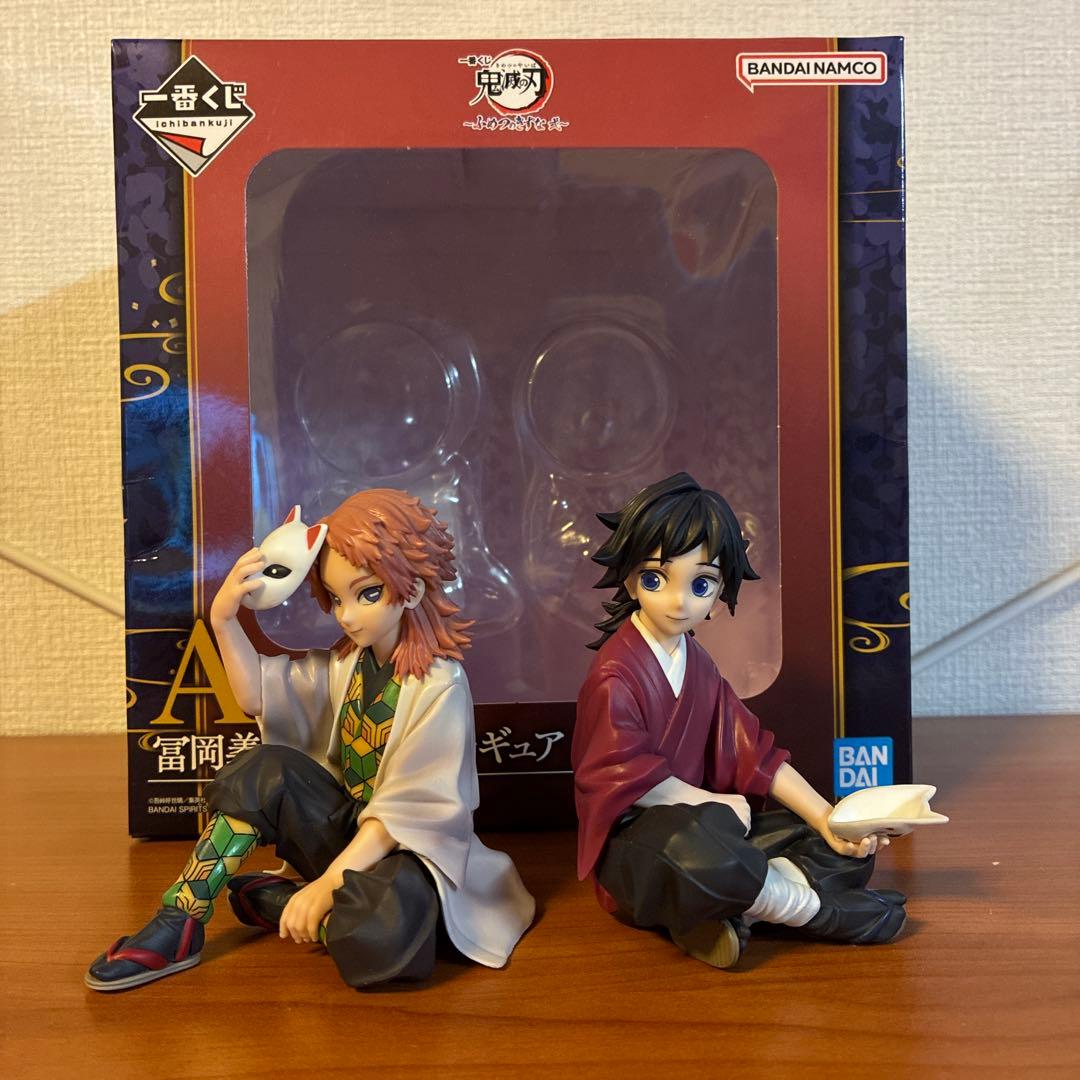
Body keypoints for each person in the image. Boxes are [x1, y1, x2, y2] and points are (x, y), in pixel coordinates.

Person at [87, 488, 535, 991]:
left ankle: (286, 905)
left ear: (410, 589)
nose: (347, 615)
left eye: (368, 594)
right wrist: (224, 621)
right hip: (347, 832)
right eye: (337, 598)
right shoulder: (347, 665)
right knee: (264, 768)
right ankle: (182, 918)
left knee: (387, 930)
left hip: (412, 854)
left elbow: (407, 812)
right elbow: (257, 695)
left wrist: (325, 887)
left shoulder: (440, 685)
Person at [572, 472, 905, 968]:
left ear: (720, 590)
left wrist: (826, 818)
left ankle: (727, 909)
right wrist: (706, 801)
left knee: (837, 850)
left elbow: (754, 754)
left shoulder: (698, 665)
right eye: (656, 579)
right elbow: (624, 777)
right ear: (629, 578)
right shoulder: (615, 675)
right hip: (642, 848)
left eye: (700, 584)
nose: (679, 601)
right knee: (706, 855)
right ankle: (814, 912)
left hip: (710, 825)